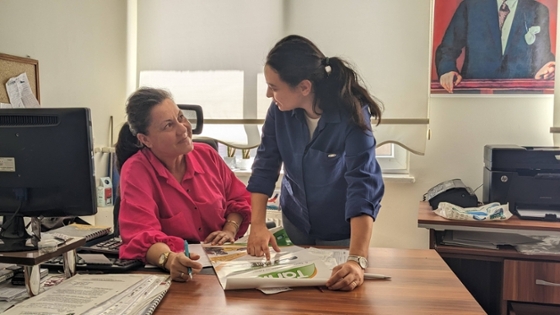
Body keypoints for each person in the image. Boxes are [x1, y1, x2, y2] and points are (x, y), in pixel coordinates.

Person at [246, 35, 385, 291]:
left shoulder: (351, 112)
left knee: (339, 294)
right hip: (296, 222)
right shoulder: (279, 111)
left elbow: (363, 184)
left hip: (340, 230)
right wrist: (257, 226)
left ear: (304, 87)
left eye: (274, 87)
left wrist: (356, 259)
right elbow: (265, 166)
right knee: (297, 299)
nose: (268, 94)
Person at [115, 87, 251, 282]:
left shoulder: (207, 155)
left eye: (180, 117)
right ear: (145, 139)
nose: (183, 129)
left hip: (223, 267)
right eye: (168, 126)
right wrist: (169, 259)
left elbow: (238, 199)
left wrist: (229, 230)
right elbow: (141, 234)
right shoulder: (136, 170)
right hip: (176, 275)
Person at [436, 0, 555, 93]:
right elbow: (447, 49)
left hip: (521, 97)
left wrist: (549, 66)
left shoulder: (537, 10)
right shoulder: (471, 5)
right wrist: (447, 70)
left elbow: (544, 55)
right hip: (475, 95)